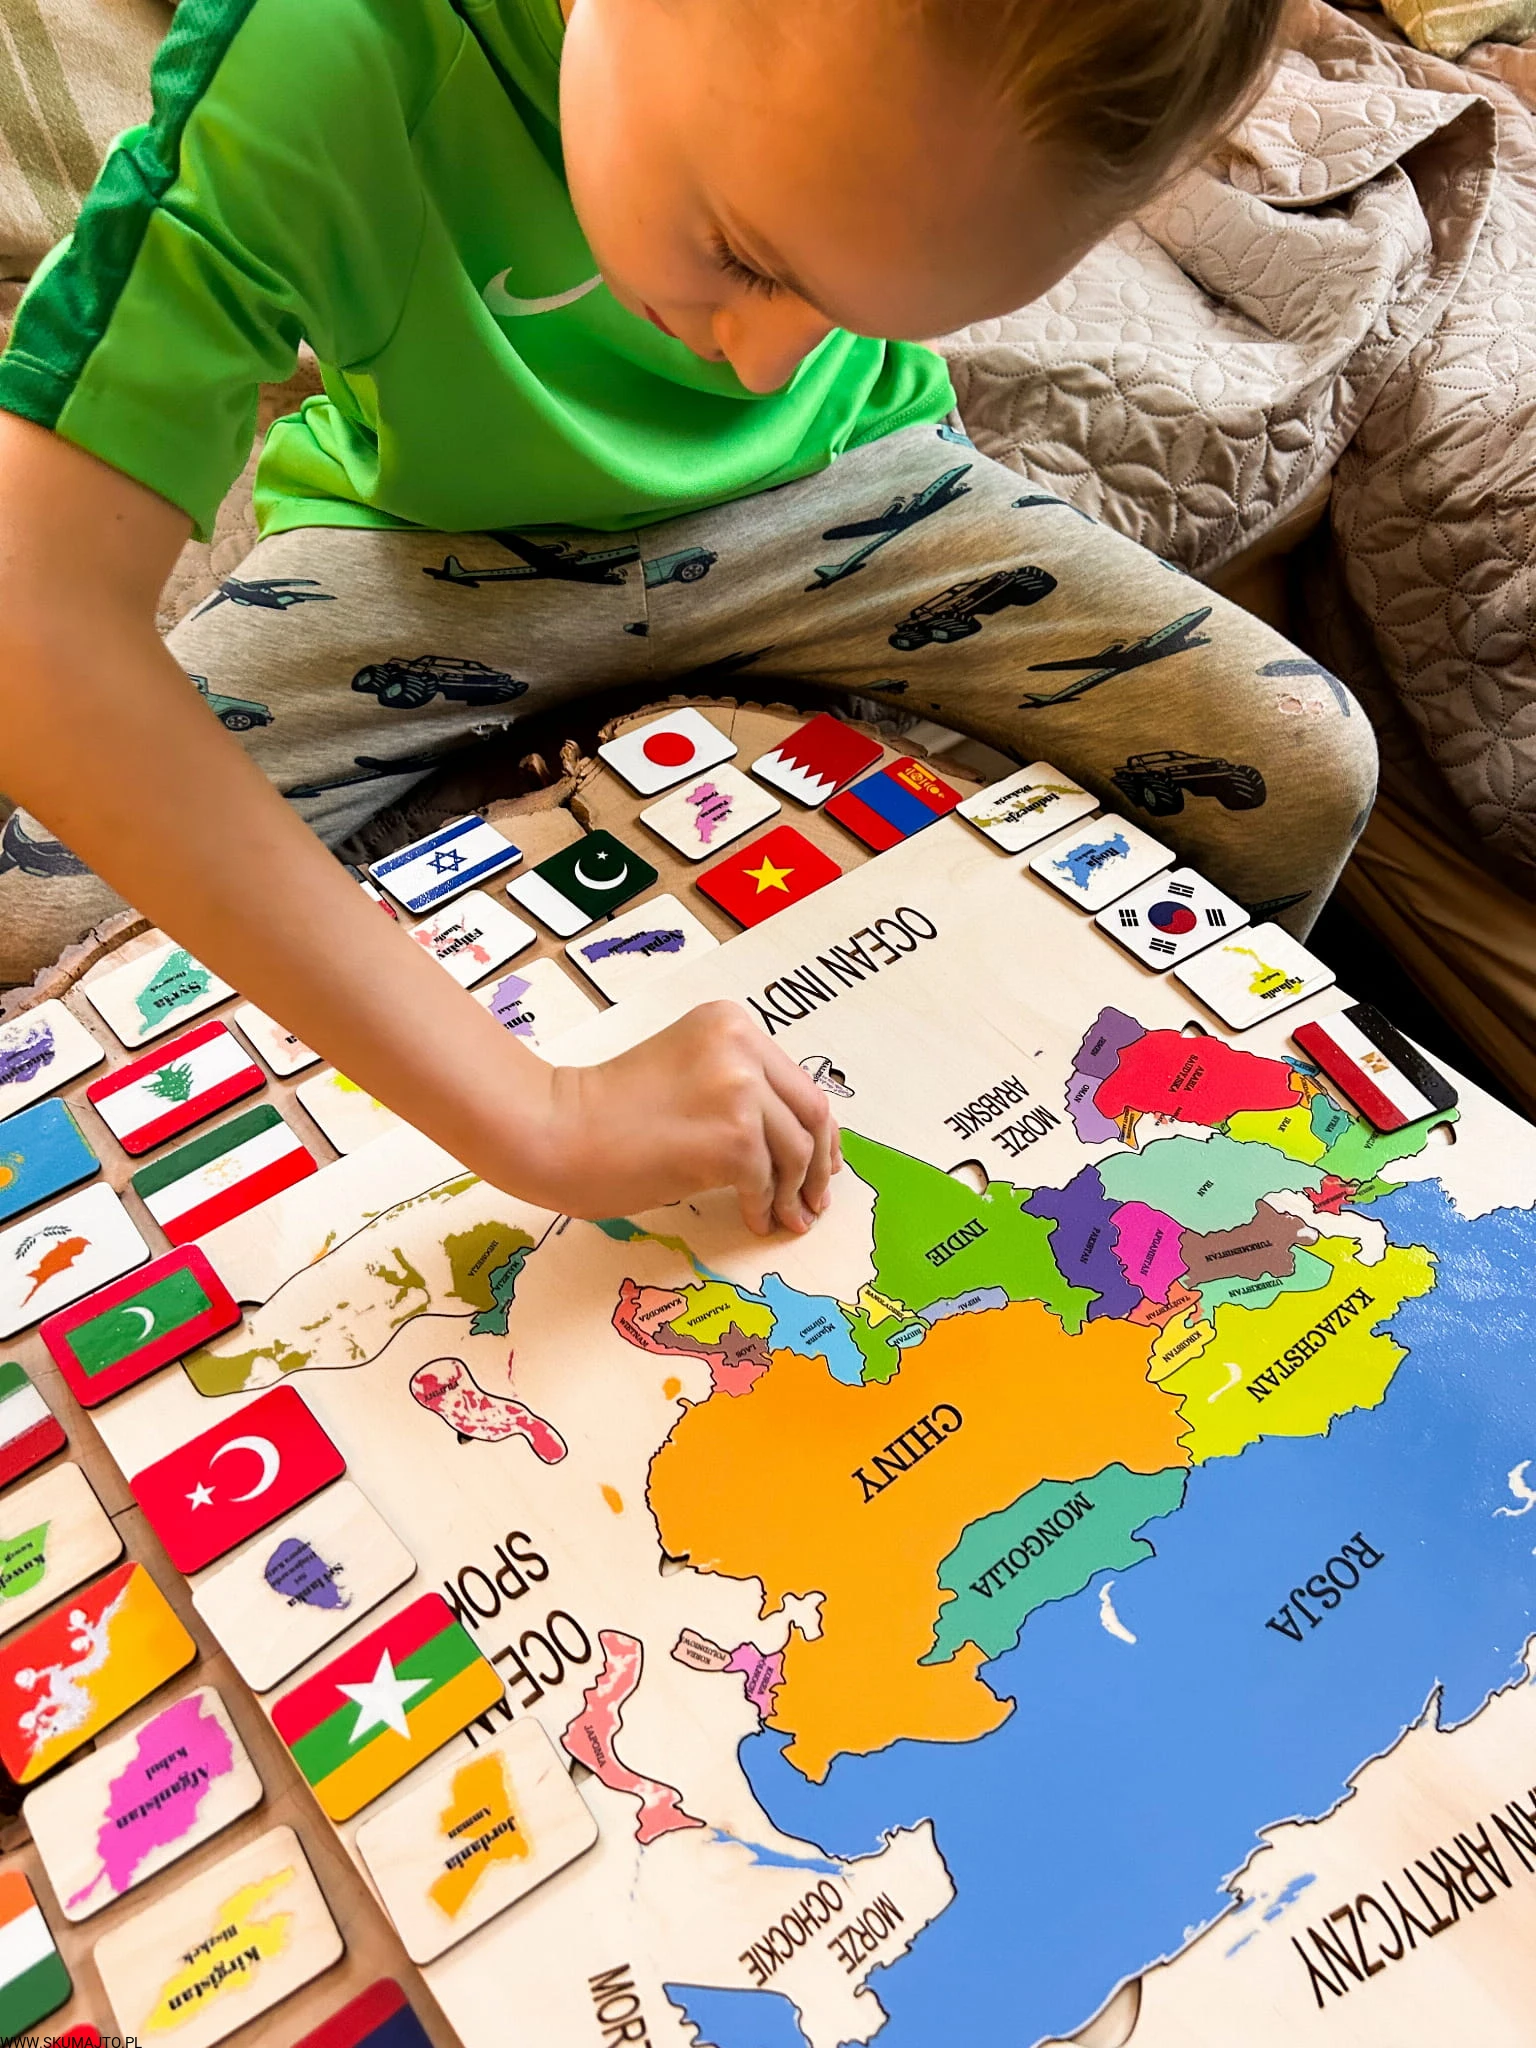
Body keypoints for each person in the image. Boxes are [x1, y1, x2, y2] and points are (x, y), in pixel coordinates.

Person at [0, 0, 1373, 1235]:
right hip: (431, 544)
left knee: (1302, 762)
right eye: (748, 256)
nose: (761, 366)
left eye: (852, 310)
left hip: (846, 491)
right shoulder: (316, 41)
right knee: (33, 913)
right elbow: (34, 621)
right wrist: (538, 1117)